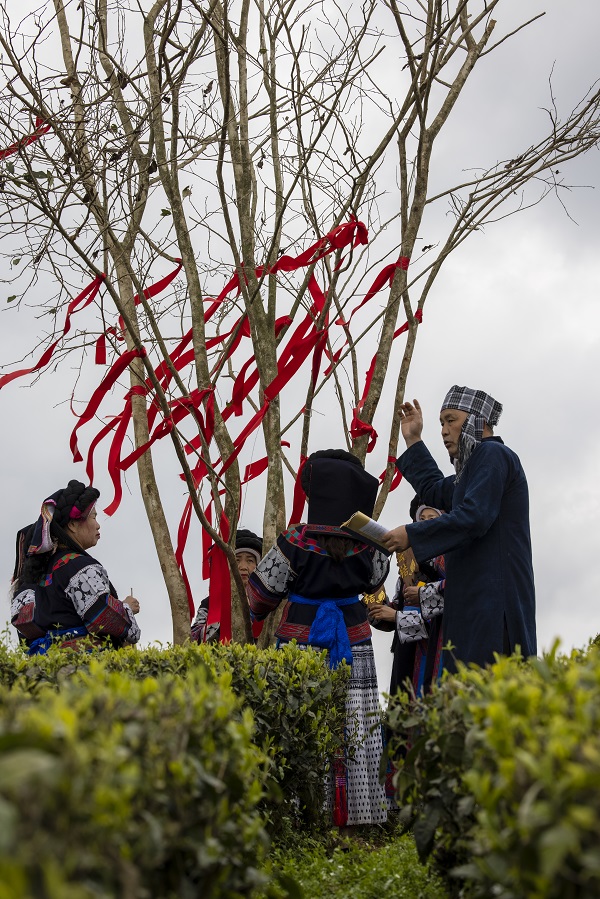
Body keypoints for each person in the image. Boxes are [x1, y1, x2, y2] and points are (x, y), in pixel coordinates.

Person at [247, 449, 391, 826]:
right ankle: (357, 812)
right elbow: (377, 582)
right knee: (355, 717)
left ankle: (303, 812)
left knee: (302, 715)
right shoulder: (370, 541)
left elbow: (260, 597)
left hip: (301, 641)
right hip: (354, 640)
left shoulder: (294, 540)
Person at [381, 386, 536, 671]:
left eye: (451, 420)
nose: (444, 430)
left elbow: (474, 517)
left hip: (494, 606)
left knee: (488, 689)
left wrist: (412, 534)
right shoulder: (472, 472)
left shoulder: (492, 454)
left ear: (479, 420)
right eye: (441, 423)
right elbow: (432, 489)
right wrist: (413, 439)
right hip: (474, 604)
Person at [11, 479, 140, 655]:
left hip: (45, 666)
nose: (98, 524)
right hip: (84, 665)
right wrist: (126, 608)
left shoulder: (39, 575)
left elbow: (27, 629)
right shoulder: (80, 568)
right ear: (72, 525)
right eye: (94, 517)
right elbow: (105, 618)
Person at [370, 501, 445, 696]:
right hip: (405, 654)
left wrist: (396, 616)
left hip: (432, 653)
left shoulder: (447, 563)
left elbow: (442, 618)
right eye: (421, 519)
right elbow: (396, 607)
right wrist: (376, 600)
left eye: (432, 519)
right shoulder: (408, 565)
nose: (425, 523)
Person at [190, 528, 263, 643]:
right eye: (237, 560)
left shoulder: (265, 603)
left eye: (250, 561)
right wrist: (224, 621)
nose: (243, 567)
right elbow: (194, 637)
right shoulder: (210, 603)